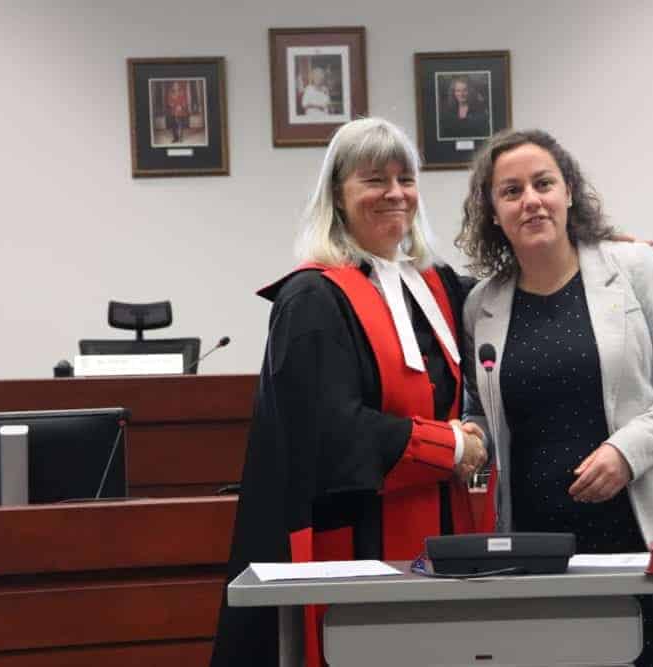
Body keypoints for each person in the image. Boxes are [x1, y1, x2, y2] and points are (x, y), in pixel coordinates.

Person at [209, 117, 489, 667]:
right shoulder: (312, 299)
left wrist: (601, 254)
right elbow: (328, 435)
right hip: (355, 542)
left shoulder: (437, 286)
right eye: (374, 179)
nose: (395, 194)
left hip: (445, 533)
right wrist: (451, 448)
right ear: (337, 196)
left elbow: (521, 291)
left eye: (405, 179)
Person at [455, 129, 653, 667]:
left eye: (543, 183)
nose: (531, 200)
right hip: (540, 544)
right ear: (492, 211)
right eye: (511, 191)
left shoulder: (633, 269)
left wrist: (626, 451)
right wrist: (468, 439)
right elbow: (480, 413)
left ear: (569, 193)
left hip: (648, 529)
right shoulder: (480, 306)